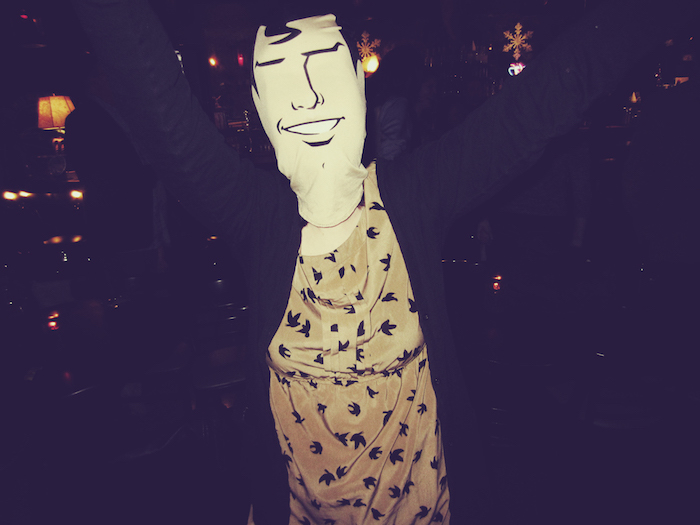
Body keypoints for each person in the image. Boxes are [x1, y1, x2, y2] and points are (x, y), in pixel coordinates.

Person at [70, 0, 697, 523]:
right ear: (259, 105)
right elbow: (157, 99)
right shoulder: (255, 217)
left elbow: (543, 100)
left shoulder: (416, 196)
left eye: (324, 69)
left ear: (357, 82)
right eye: (283, 78)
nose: (309, 98)